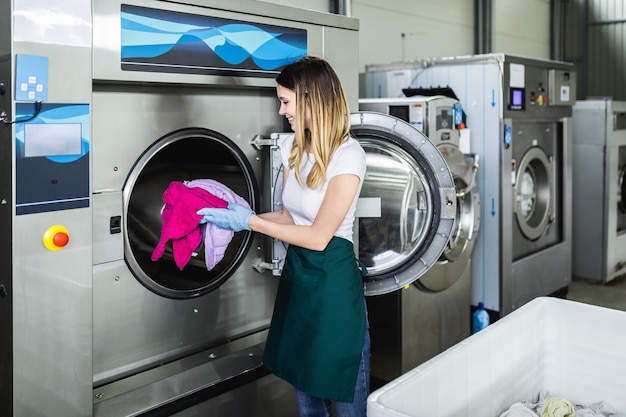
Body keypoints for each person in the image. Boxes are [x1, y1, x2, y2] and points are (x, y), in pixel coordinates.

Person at [197, 55, 369, 417]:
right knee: (308, 404)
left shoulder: (348, 155)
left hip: (334, 291)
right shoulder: (294, 148)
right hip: (299, 284)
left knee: (348, 406)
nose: (281, 110)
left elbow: (320, 236)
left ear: (311, 100)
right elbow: (289, 217)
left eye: (286, 101)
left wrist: (251, 223)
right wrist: (239, 216)